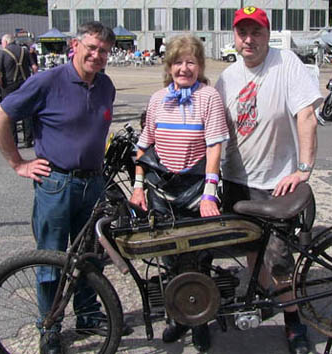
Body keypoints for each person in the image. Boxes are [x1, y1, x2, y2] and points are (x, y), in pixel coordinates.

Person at [0, 21, 128, 354]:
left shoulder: (106, 85)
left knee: (89, 257)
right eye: (91, 47)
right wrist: (18, 163)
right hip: (56, 183)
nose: (96, 55)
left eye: (103, 51)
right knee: (52, 259)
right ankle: (48, 325)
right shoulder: (48, 81)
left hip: (93, 182)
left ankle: (89, 316)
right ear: (76, 46)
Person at [215, 7, 322, 354]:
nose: (249, 39)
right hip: (236, 180)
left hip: (276, 182)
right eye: (242, 32)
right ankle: (265, 298)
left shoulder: (285, 62)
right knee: (251, 250)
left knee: (278, 260)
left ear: (267, 33)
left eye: (256, 32)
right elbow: (216, 135)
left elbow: (306, 114)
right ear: (234, 36)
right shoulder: (226, 78)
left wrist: (303, 168)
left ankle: (293, 322)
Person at [130, 34, 229, 352]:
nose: (184, 67)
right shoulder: (158, 99)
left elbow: (215, 146)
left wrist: (210, 194)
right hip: (162, 190)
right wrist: (137, 187)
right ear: (168, 66)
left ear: (199, 65)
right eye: (178, 61)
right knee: (169, 259)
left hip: (197, 187)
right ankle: (176, 318)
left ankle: (200, 319)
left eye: (191, 61)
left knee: (200, 258)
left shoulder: (209, 96)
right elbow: (144, 145)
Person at [0, 34, 36, 147]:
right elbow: (35, 67)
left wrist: (1, 84)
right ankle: (28, 139)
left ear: (6, 42)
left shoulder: (2, 53)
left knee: (9, 112)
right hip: (25, 84)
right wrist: (33, 79)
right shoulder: (24, 51)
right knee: (27, 112)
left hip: (9, 86)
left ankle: (14, 141)